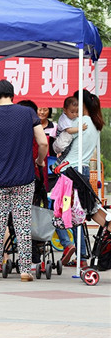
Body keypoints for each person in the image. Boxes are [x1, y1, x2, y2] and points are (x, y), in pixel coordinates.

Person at [0, 80, 48, 282]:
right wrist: (39, 160)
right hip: (24, 178)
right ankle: (25, 270)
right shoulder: (28, 113)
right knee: (23, 224)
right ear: (12, 95)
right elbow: (43, 142)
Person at [58, 90, 110, 260]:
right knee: (81, 212)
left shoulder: (79, 122)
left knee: (60, 210)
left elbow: (59, 146)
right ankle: (81, 256)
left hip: (71, 172)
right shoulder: (95, 124)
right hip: (84, 170)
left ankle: (70, 246)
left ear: (82, 104)